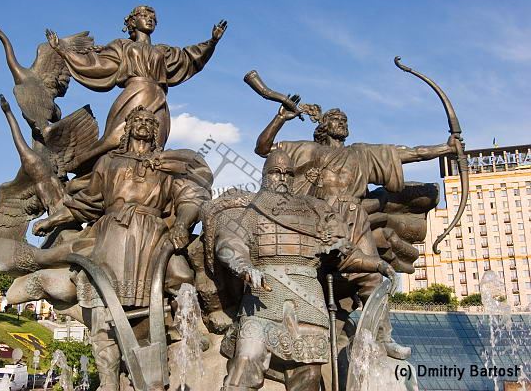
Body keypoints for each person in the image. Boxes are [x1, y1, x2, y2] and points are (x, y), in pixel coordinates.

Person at [255, 102, 461, 360]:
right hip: (314, 218)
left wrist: (446, 148)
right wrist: (280, 118)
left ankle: (383, 338)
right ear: (323, 126)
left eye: (344, 119)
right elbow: (263, 148)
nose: (342, 122)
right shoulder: (304, 149)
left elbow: (410, 153)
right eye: (335, 118)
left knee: (371, 278)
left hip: (354, 218)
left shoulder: (362, 153)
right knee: (301, 274)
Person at [32, 105, 212, 391]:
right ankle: (108, 380)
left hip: (152, 234)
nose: (143, 124)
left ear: (156, 132)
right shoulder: (109, 162)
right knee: (101, 302)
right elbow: (87, 202)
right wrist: (51, 220)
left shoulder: (167, 164)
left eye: (149, 122)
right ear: (128, 128)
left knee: (181, 276)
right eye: (137, 120)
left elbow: (190, 197)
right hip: (112, 234)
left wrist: (181, 224)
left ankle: (187, 330)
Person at [213, 149, 396, 391]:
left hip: (309, 304)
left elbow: (346, 254)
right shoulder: (250, 209)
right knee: (247, 357)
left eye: (288, 173)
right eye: (275, 172)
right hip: (263, 299)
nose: (282, 178)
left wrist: (377, 264)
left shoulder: (316, 209)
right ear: (264, 175)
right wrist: (243, 266)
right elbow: (229, 242)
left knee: (308, 376)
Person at [46, 5, 227, 158]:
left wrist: (212, 42)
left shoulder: (163, 51)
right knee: (116, 141)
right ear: (132, 22)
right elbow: (98, 65)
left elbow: (188, 58)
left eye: (153, 18)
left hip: (159, 98)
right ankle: (86, 167)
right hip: (134, 95)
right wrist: (63, 51)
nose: (150, 20)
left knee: (155, 149)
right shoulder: (122, 46)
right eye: (144, 16)